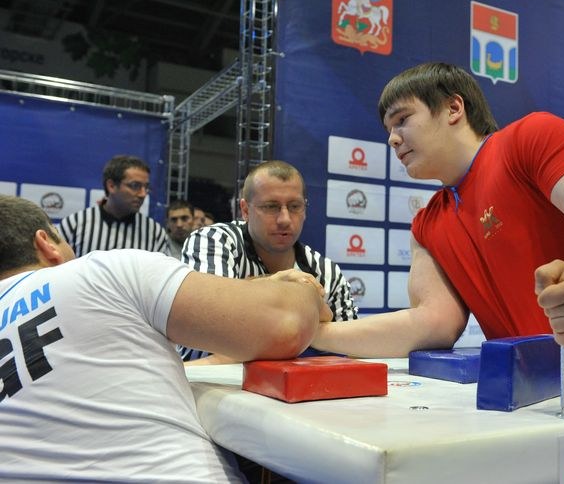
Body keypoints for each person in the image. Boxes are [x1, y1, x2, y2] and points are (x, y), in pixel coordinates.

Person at [312, 62, 564, 393]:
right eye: (388, 129)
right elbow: (432, 323)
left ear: (453, 108)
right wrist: (315, 333)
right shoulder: (426, 225)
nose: (392, 138)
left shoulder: (529, 139)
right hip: (530, 408)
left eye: (402, 119)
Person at [0, 195, 330, 481]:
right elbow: (285, 325)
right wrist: (299, 291)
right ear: (47, 244)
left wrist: (264, 286)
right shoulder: (98, 271)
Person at [178, 160, 357, 362]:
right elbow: (206, 327)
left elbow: (349, 350)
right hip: (209, 388)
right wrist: (279, 288)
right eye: (271, 207)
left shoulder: (326, 272)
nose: (285, 219)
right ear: (245, 210)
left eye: (295, 206)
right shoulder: (214, 241)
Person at [57, 155, 170, 256]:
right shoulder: (74, 225)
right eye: (135, 186)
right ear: (111, 186)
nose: (143, 194)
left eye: (146, 187)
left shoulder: (155, 232)